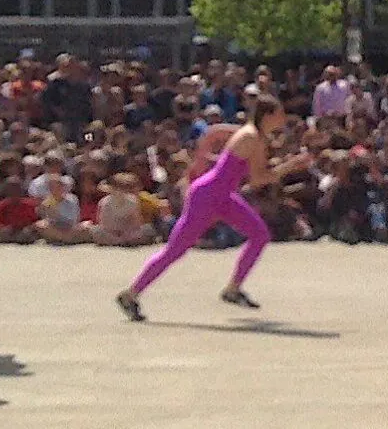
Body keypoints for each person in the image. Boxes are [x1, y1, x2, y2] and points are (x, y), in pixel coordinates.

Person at [115, 94, 309, 321]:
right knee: (175, 250)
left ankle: (233, 289)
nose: (283, 118)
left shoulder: (249, 132)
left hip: (221, 196)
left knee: (259, 235)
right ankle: (131, 294)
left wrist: (202, 157)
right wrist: (291, 165)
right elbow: (258, 179)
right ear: (267, 115)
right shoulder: (254, 138)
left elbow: (214, 131)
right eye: (279, 114)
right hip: (208, 197)